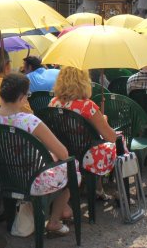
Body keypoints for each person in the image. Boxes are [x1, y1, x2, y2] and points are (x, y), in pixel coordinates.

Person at [0, 73, 77, 236]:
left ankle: (40, 210)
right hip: (31, 180)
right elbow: (63, 153)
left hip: (2, 177)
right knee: (72, 166)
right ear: (22, 97)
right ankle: (54, 221)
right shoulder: (30, 121)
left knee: (52, 161)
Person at [50, 67, 117, 198]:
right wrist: (103, 120)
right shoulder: (87, 106)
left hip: (64, 152)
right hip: (86, 156)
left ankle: (97, 187)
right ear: (84, 82)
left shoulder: (53, 103)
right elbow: (111, 137)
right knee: (119, 141)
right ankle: (113, 186)